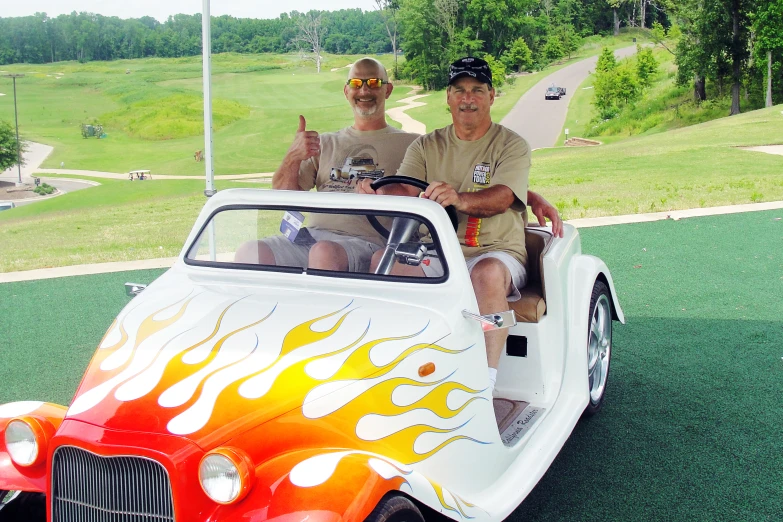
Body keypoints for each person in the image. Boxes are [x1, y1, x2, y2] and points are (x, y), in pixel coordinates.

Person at [236, 56, 562, 273]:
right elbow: (284, 196)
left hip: (369, 241)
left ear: (388, 90)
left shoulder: (412, 143)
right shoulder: (325, 143)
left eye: (374, 83)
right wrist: (293, 156)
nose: (366, 91)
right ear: (346, 90)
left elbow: (458, 178)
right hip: (310, 236)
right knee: (250, 252)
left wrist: (528, 195)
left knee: (323, 254)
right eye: (358, 83)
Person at [358, 56, 551, 393]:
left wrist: (460, 199)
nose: (468, 98)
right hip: (438, 252)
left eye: (477, 90)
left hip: (496, 252)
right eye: (459, 90)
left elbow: (504, 196)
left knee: (486, 274)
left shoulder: (511, 145)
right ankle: (397, 370)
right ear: (448, 97)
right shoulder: (426, 145)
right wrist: (374, 192)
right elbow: (405, 190)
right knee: (382, 263)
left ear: (491, 96)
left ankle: (485, 383)